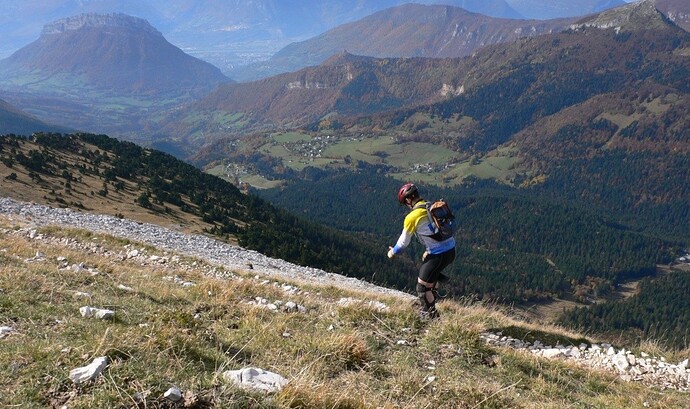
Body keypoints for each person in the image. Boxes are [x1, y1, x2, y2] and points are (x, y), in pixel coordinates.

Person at [387, 183, 456, 319]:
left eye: (405, 203)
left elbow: (403, 243)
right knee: (429, 272)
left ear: (408, 200)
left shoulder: (412, 217)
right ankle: (431, 299)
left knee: (422, 288)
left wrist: (392, 252)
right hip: (451, 250)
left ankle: (430, 317)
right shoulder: (429, 206)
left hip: (439, 255)